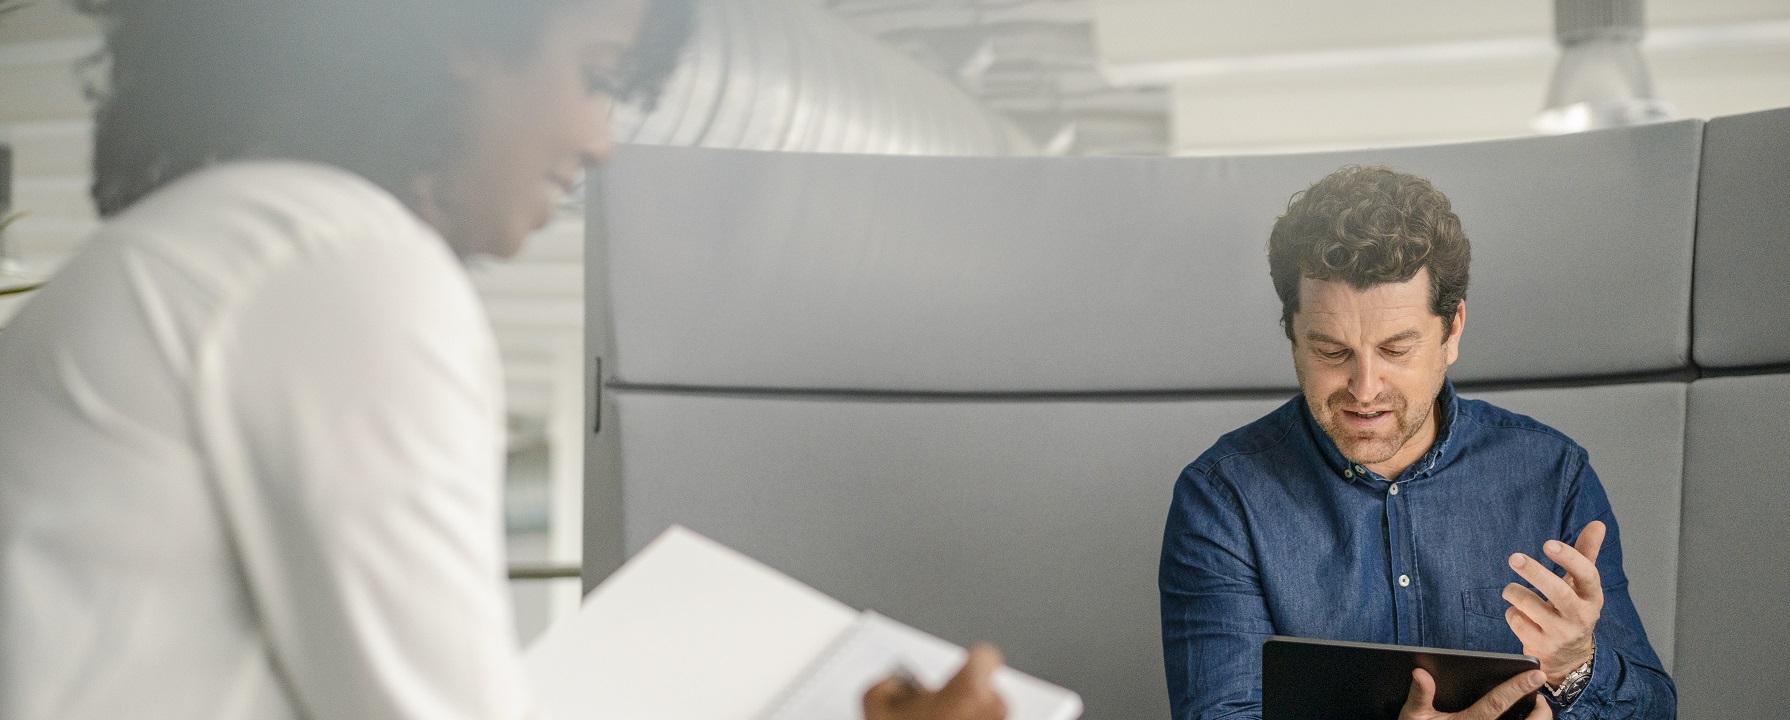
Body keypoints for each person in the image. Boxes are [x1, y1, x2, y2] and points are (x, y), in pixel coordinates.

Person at [0, 1, 1004, 719]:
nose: (604, 140)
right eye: (597, 77)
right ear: (465, 40)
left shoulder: (230, 243)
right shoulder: (340, 261)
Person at [1158, 166, 1676, 719]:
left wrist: (1577, 666)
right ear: (1292, 335)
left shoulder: (1553, 476)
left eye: (1396, 350)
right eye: (1333, 352)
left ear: (1452, 330)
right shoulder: (1222, 499)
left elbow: (1654, 712)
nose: (1364, 389)